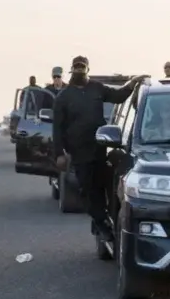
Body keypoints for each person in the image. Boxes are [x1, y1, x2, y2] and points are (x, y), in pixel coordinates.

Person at [52, 55, 148, 241]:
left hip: (101, 148)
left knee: (104, 187)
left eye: (82, 67)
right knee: (88, 191)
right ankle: (101, 223)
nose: (79, 70)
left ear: (88, 69)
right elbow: (57, 128)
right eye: (76, 67)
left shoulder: (97, 88)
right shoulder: (63, 97)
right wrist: (59, 154)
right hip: (79, 153)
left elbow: (118, 96)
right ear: (72, 70)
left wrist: (132, 84)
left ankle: (103, 221)